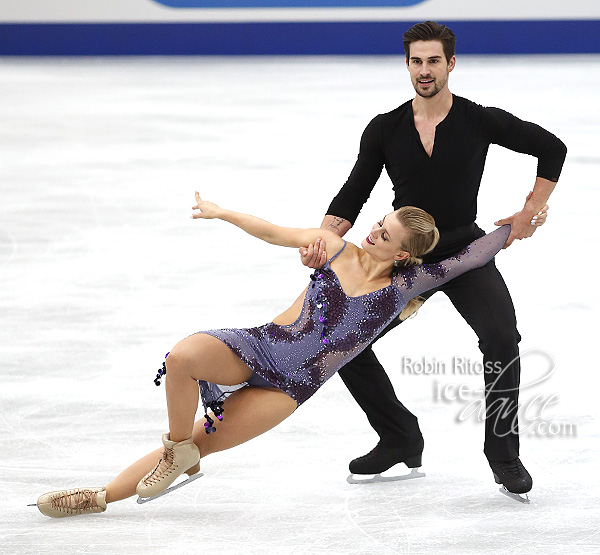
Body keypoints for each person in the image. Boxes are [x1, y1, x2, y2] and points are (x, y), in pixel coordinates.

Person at [34, 192, 511, 517]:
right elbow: (273, 232)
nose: (372, 233)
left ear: (404, 254)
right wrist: (224, 213)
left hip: (289, 389)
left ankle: (99, 496)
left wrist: (517, 225)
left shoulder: (407, 286)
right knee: (181, 359)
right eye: (378, 225)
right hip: (257, 347)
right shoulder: (334, 248)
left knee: (206, 439)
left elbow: (470, 256)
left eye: (385, 235)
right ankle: (178, 454)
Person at [300, 21, 567, 495]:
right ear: (407, 64)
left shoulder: (478, 119)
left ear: (451, 64)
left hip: (466, 253)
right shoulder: (385, 128)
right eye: (416, 61)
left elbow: (552, 148)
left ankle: (503, 455)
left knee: (502, 338)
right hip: (404, 260)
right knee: (340, 340)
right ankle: (399, 435)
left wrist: (530, 209)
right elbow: (353, 193)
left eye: (434, 61)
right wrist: (323, 238)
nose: (425, 70)